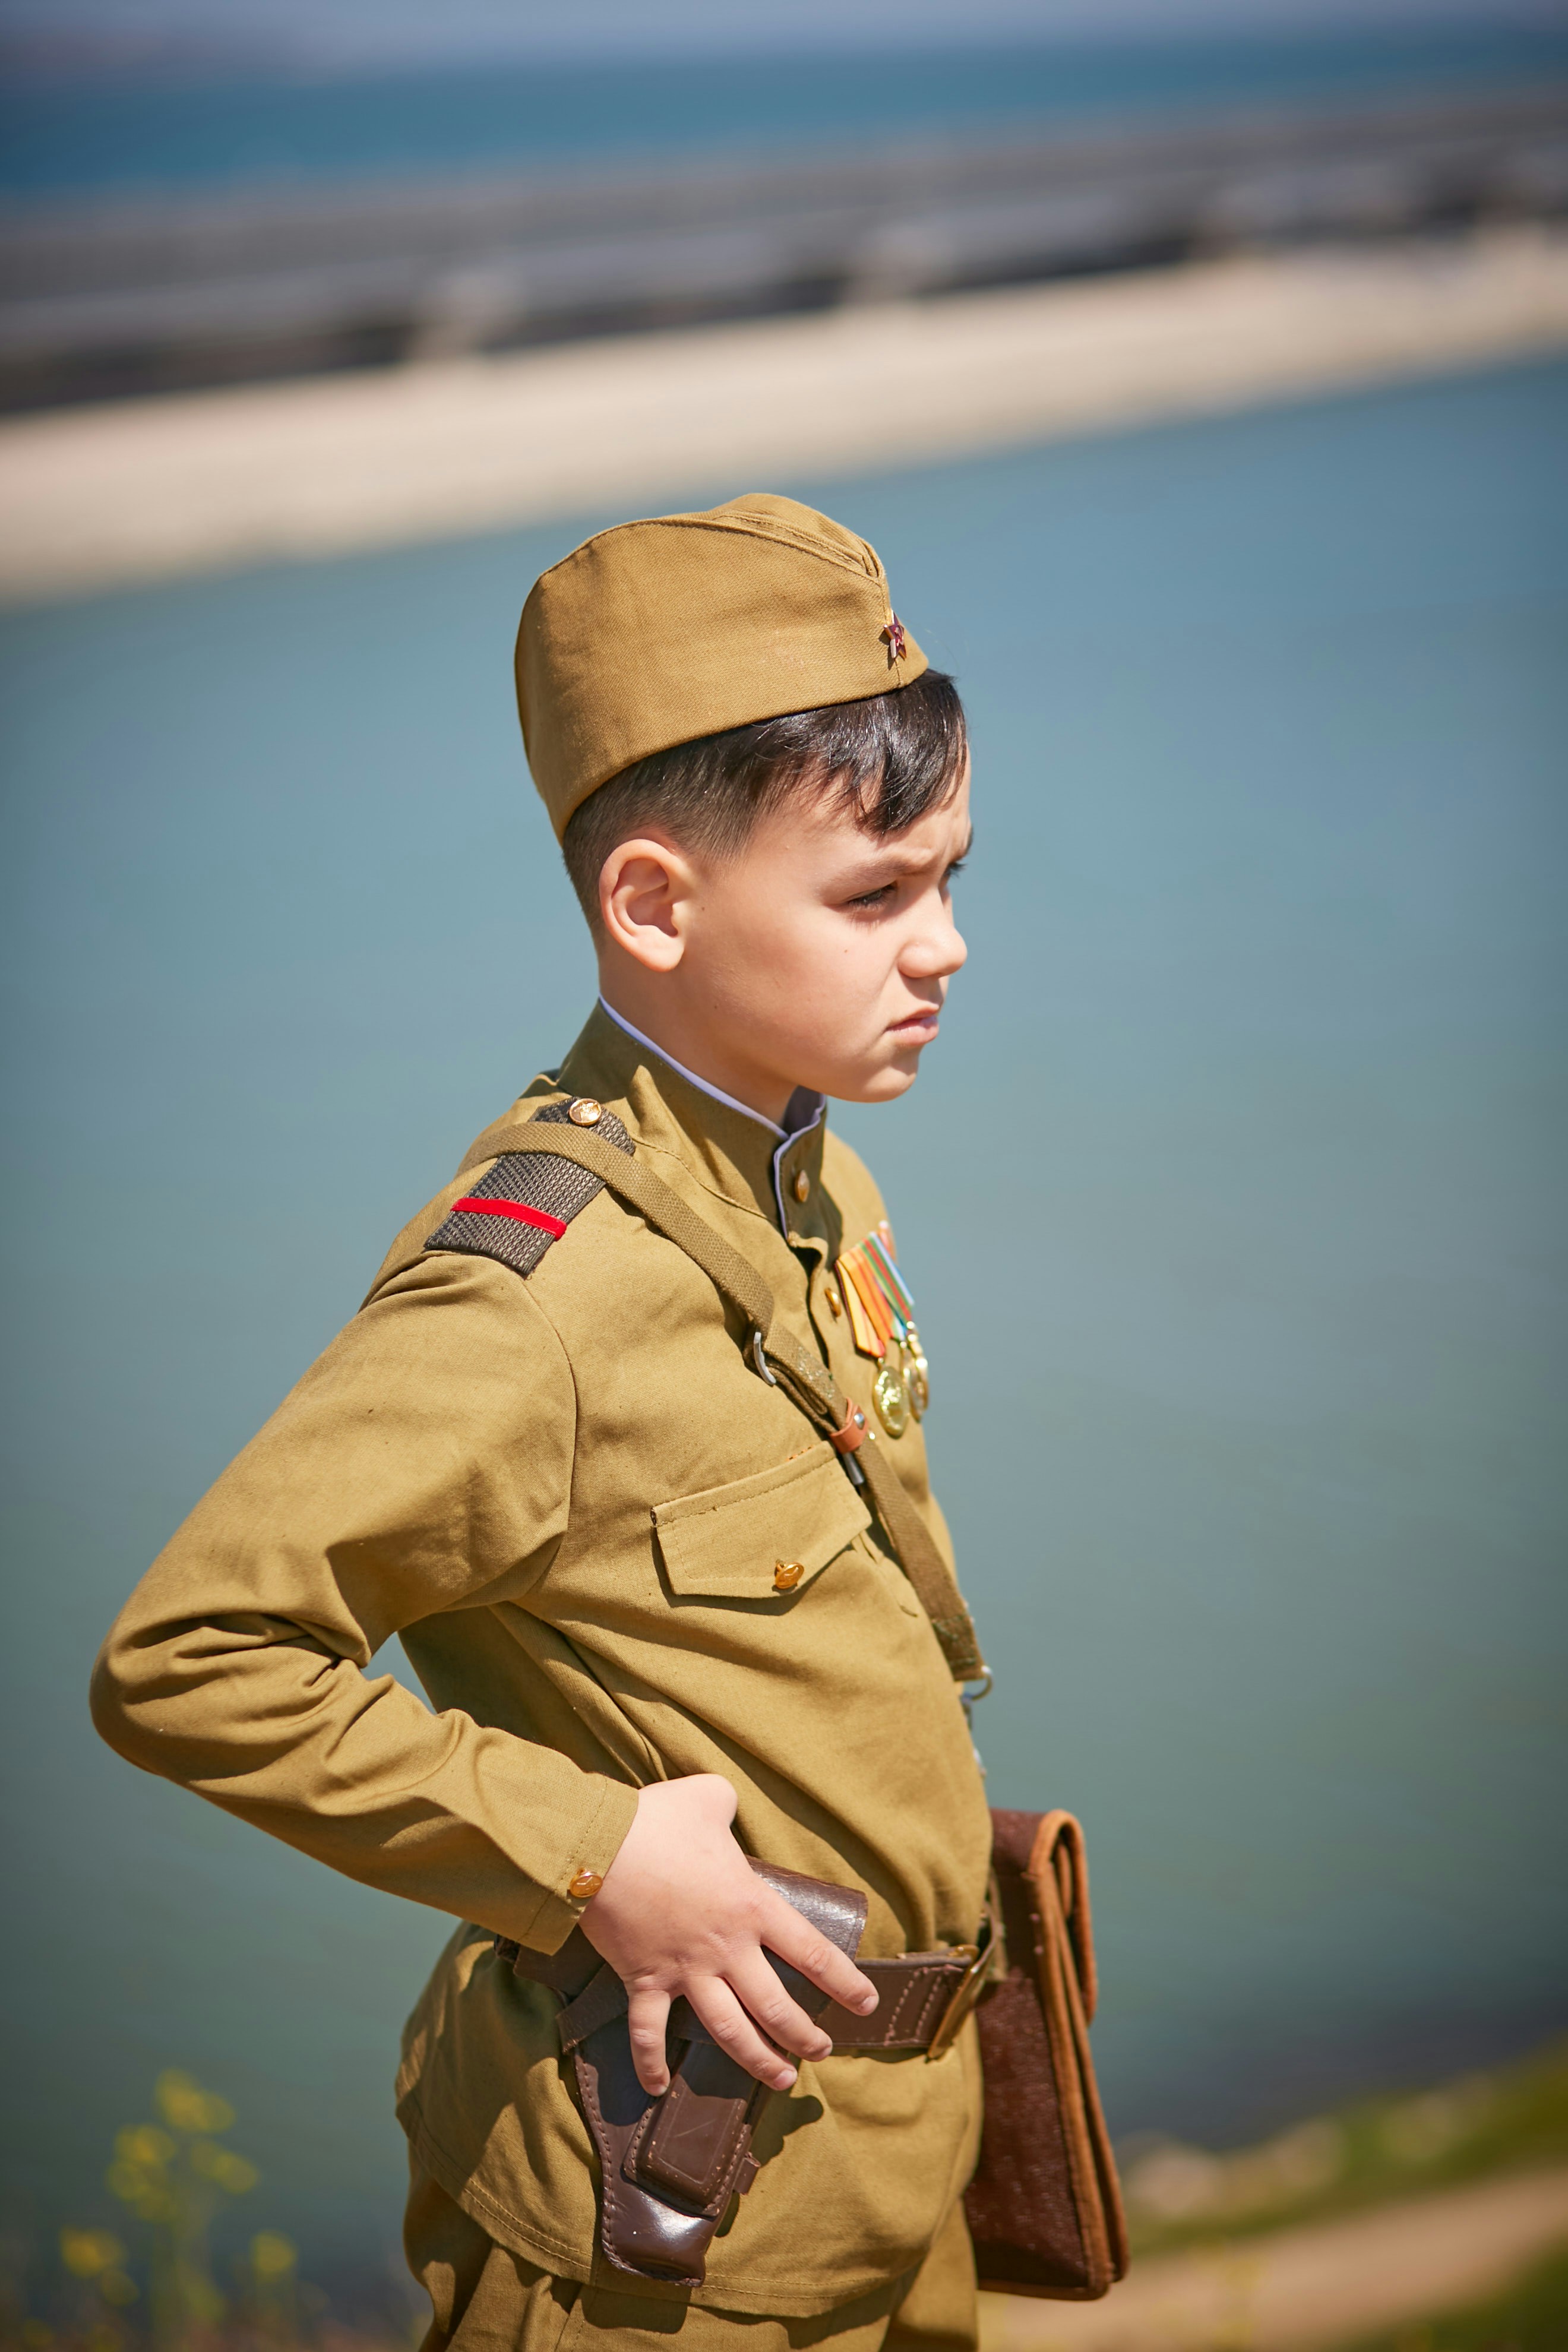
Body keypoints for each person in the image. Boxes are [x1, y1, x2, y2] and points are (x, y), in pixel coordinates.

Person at [91, 494, 993, 2350]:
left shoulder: (814, 1186)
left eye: (953, 879)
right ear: (654, 903)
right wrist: (599, 1856)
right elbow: (188, 1657)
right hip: (671, 2234)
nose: (948, 947)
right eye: (877, 895)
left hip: (890, 2171)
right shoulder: (531, 1300)